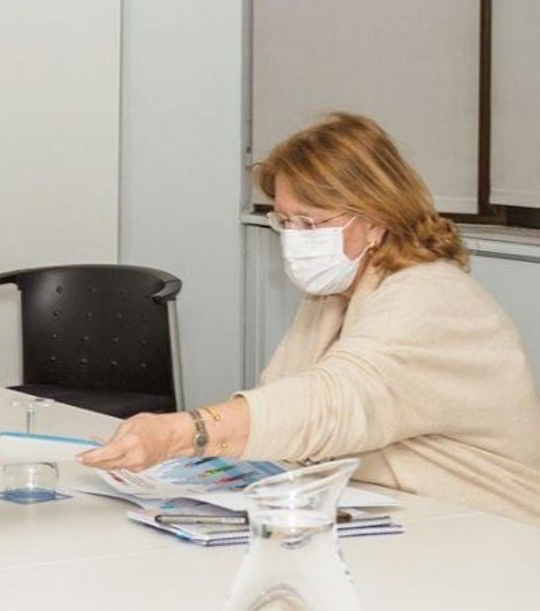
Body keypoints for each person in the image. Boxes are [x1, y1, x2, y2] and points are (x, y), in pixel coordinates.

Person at [81, 112, 540, 524]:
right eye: (284, 222)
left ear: (376, 219)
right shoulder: (334, 293)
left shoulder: (431, 296)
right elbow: (285, 402)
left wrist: (187, 432)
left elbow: (328, 405)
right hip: (398, 512)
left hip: (488, 528)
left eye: (311, 223)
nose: (294, 239)